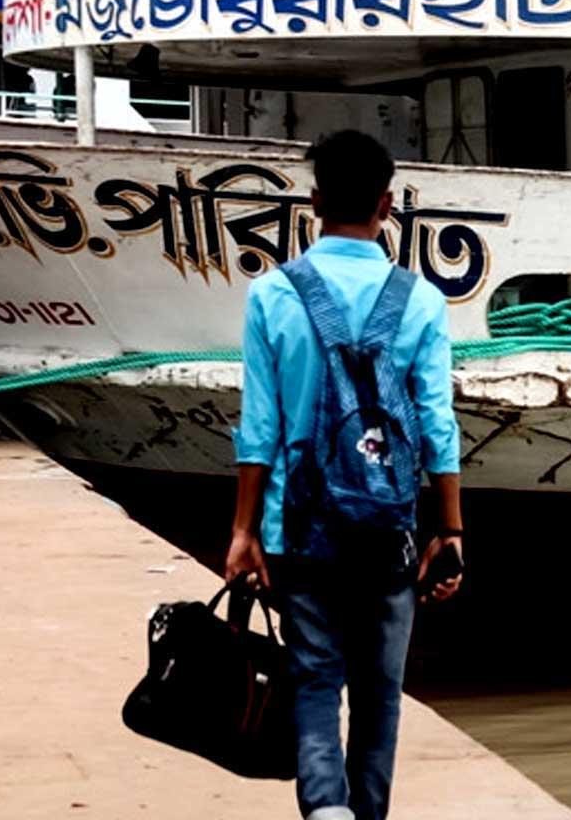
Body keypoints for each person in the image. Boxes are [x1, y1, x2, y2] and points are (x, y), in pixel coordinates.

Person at [224, 130, 464, 820]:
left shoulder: (273, 294)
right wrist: (448, 528)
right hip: (388, 527)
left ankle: (326, 812)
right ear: (387, 204)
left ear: (315, 200)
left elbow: (259, 428)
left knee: (314, 679)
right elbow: (436, 425)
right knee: (379, 691)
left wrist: (245, 530)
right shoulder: (418, 299)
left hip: (296, 528)